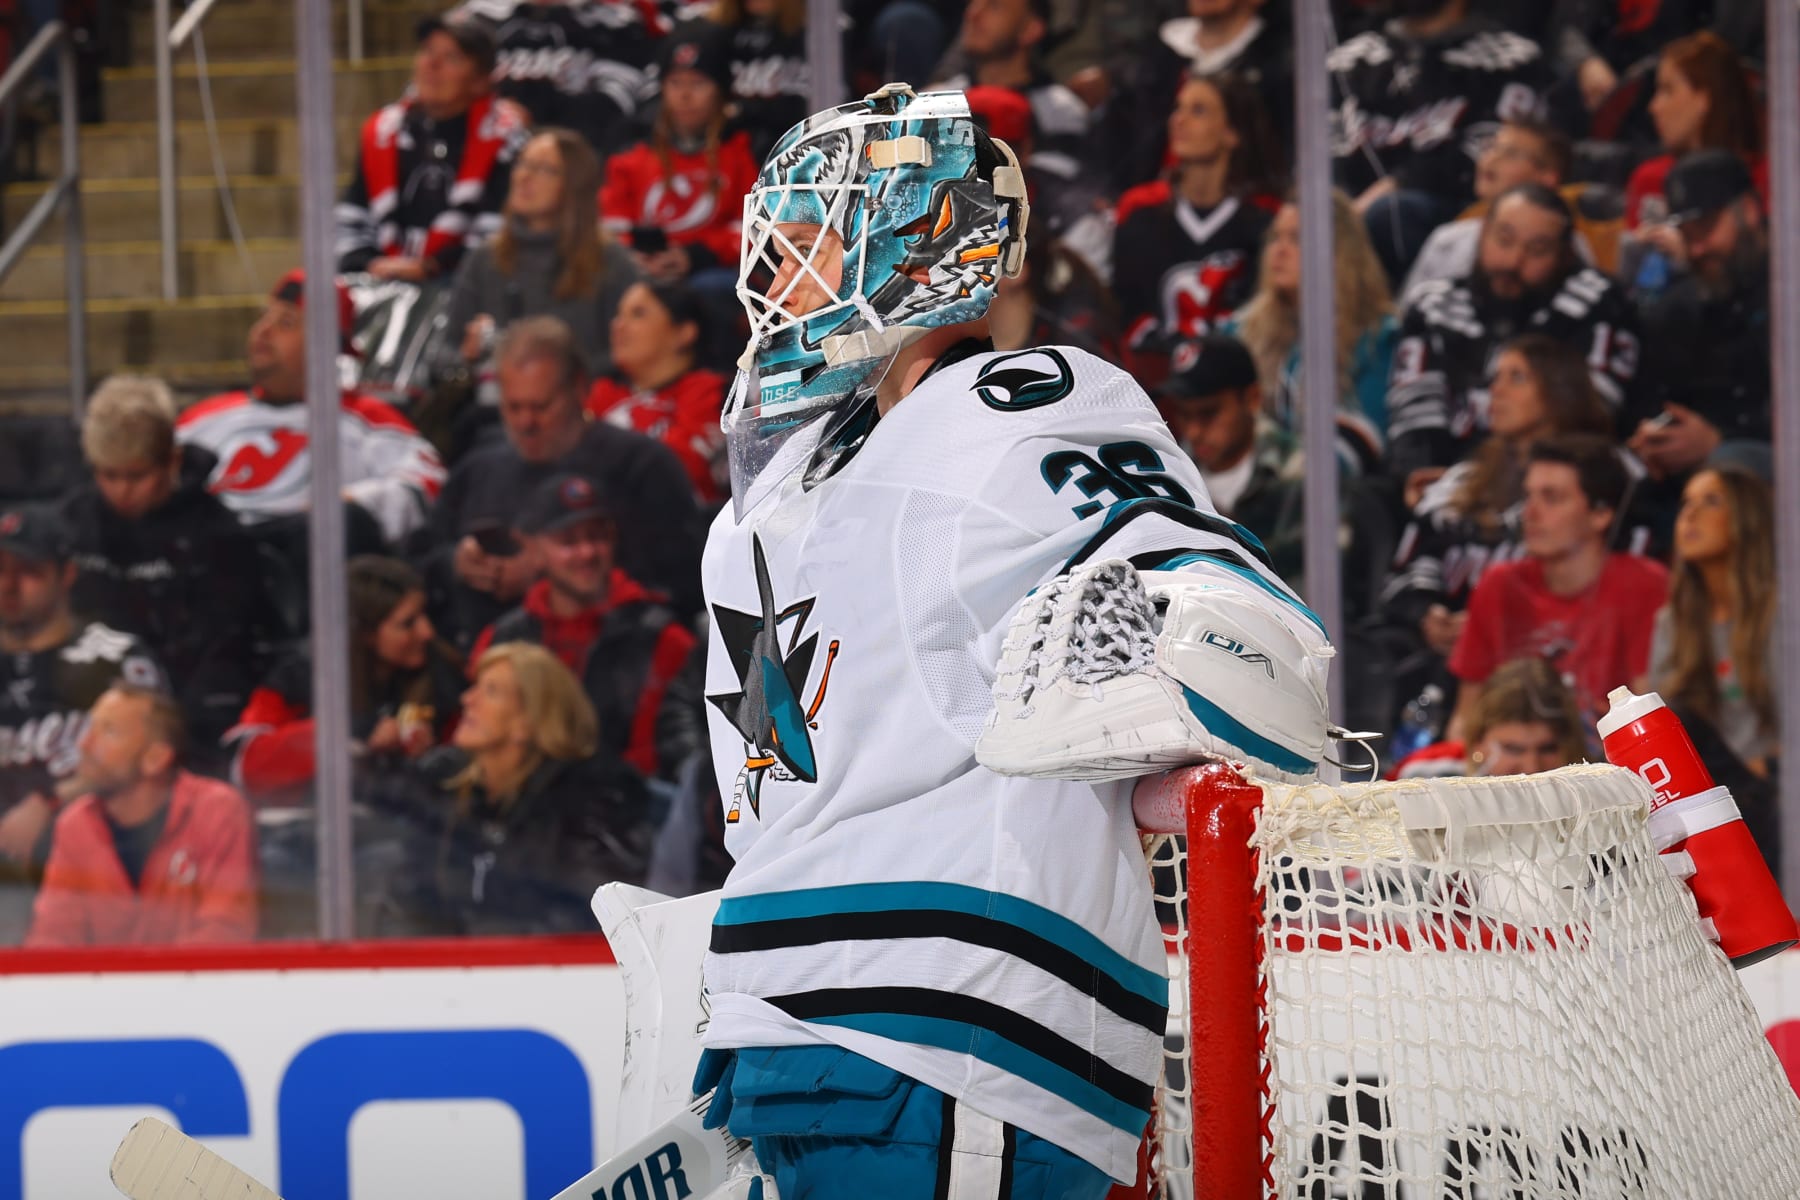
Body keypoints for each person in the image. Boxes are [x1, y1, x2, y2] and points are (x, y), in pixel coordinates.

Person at [692, 85, 1332, 1196]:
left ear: (912, 247)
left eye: (806, 244)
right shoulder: (770, 489)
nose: (773, 280)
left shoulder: (1017, 402)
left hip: (951, 1020)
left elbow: (1233, 624)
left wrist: (1169, 674)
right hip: (780, 1025)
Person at [418, 314, 704, 644]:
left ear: (580, 389)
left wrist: (554, 573)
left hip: (609, 667)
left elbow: (685, 586)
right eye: (513, 407)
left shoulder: (641, 466)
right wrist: (456, 563)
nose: (526, 422)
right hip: (484, 671)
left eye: (541, 407)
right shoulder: (480, 466)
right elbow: (419, 558)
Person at [59, 375, 266, 765]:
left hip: (183, 722)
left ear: (172, 461)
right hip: (74, 717)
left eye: (136, 476)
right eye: (108, 475)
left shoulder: (219, 536)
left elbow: (225, 655)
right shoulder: (71, 524)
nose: (121, 490)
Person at [392, 642, 653, 935]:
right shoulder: (445, 786)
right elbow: (410, 898)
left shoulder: (590, 797)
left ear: (527, 721)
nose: (467, 699)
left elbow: (590, 914)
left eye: (490, 691)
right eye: (474, 686)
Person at [1385, 183, 1639, 481]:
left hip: (1545, 480)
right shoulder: (1434, 304)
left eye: (1537, 250)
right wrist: (1427, 478)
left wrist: (1486, 484)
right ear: (1481, 235)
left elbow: (1586, 422)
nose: (1514, 261)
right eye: (1504, 240)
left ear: (1564, 256)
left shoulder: (1597, 303)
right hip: (1443, 480)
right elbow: (1415, 413)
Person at [176, 270, 447, 546]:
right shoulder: (200, 418)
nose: (263, 330)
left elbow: (427, 484)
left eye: (286, 322)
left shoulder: (370, 419)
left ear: (326, 344)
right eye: (264, 316)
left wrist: (346, 506)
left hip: (311, 564)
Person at [0, 504, 166, 944]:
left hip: (88, 858)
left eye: (29, 571)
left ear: (66, 575)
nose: (8, 586)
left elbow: (148, 761)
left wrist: (51, 802)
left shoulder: (113, 658)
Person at [470, 474, 695, 781]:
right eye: (568, 541)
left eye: (597, 536)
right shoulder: (502, 637)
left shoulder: (663, 638)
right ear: (535, 550)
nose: (587, 552)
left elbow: (656, 760)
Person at [1447, 434, 1666, 742]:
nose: (1530, 514)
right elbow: (1465, 721)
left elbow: (1652, 721)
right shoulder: (1499, 585)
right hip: (1513, 769)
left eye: (1551, 498)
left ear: (1600, 514)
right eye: (1529, 497)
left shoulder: (1644, 584)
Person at [1327, 0, 1551, 283]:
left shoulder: (1511, 58)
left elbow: (1480, 160)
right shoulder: (1348, 60)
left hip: (1449, 217)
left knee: (1392, 216)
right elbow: (1323, 153)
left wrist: (1395, 186)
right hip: (1349, 215)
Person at [26, 684, 258, 947]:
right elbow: (52, 940)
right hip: (106, 987)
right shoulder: (74, 824)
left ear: (155, 759)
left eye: (109, 731)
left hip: (193, 987)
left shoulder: (218, 810)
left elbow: (225, 933)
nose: (85, 744)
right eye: (90, 728)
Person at [227, 556, 463, 809]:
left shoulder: (443, 670)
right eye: (408, 624)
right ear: (365, 634)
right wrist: (351, 732)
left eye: (423, 615)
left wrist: (431, 759)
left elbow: (470, 764)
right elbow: (248, 769)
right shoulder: (302, 675)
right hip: (317, 826)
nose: (427, 632)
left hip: (411, 825)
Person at [436, 128, 642, 408]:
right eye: (522, 164)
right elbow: (441, 356)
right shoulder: (484, 258)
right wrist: (467, 355)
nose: (523, 176)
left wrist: (553, 376)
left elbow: (634, 354)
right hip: (494, 414)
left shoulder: (611, 261)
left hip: (584, 413)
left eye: (544, 169)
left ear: (574, 185)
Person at [1644, 464, 1779, 870]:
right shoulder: (1673, 622)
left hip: (1771, 789)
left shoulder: (1782, 615)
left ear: (1748, 520)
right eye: (1686, 502)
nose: (1690, 514)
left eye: (1711, 502)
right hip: (1701, 795)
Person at [335, 14, 530, 282]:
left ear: (481, 80)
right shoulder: (382, 132)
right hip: (377, 284)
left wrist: (432, 267)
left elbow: (502, 235)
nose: (432, 65)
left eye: (452, 58)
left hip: (468, 291)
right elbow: (351, 218)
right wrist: (367, 263)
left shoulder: (509, 140)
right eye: (427, 51)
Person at [1111, 73, 1280, 371]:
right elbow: (1125, 314)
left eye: (1198, 111)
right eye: (1178, 108)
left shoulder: (1268, 219)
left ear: (1233, 132)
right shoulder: (1138, 209)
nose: (1178, 120)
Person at [1627, 150, 1770, 494]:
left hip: (1771, 466)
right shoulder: (1680, 305)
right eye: (1688, 237)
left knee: (1731, 462)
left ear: (1748, 212)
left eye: (1705, 229)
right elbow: (1650, 397)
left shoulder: (1786, 289)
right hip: (1687, 480)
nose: (1697, 249)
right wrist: (1653, 437)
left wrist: (1716, 441)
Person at [1223, 190, 1394, 474]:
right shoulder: (1240, 330)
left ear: (1338, 252)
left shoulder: (1377, 335)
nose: (1279, 250)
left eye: (1297, 239)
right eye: (1276, 237)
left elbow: (1361, 440)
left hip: (1327, 498)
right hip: (1239, 488)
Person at [598, 22, 759, 289]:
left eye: (698, 83)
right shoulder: (632, 148)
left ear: (720, 91)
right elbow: (612, 224)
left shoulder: (744, 149)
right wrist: (640, 256)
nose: (684, 95)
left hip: (712, 272)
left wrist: (695, 256)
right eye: (674, 83)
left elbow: (753, 228)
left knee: (714, 288)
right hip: (638, 270)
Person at [1155, 332, 1302, 587]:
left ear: (1252, 399)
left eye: (1208, 413)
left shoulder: (1299, 474)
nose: (1193, 432)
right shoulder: (1164, 474)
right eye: (1183, 414)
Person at [1400, 118, 1601, 303]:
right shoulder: (1446, 240)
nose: (1492, 158)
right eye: (1491, 147)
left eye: (1511, 154)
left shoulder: (1569, 247)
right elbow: (1408, 316)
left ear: (1547, 177)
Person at [1102, 0, 1293, 193]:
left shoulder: (1284, 69)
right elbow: (1103, 155)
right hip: (1149, 208)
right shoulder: (1152, 58)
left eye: (1198, 110)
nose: (1179, 120)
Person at [584, 280, 729, 506]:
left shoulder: (711, 392)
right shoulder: (600, 394)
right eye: (618, 315)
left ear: (684, 332)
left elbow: (679, 470)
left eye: (638, 314)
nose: (618, 325)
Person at [452, 0, 656, 157]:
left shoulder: (615, 24)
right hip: (474, 153)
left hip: (570, 158)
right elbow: (438, 96)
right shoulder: (474, 18)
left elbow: (614, 106)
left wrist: (534, 122)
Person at [1623, 31, 1762, 233]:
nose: (1653, 107)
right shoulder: (1649, 180)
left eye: (1668, 90)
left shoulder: (1764, 180)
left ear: (1704, 98)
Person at [1393, 656, 1587, 780]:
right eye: (1513, 749)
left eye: (1548, 748)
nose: (1532, 768)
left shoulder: (1599, 786)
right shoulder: (1422, 776)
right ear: (1478, 743)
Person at [710, 0, 811, 162]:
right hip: (734, 161)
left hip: (801, 155)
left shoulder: (818, 33)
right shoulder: (719, 32)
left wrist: (744, 110)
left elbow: (819, 109)